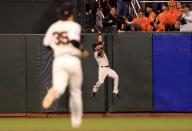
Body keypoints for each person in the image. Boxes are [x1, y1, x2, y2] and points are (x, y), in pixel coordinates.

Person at [42, 1, 88, 128]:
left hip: (59, 60)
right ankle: (76, 123)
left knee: (59, 87)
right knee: (76, 92)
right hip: (73, 59)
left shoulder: (54, 27)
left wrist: (58, 48)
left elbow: (45, 44)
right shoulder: (74, 26)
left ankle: (54, 91)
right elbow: (74, 40)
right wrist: (83, 50)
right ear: (72, 13)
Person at [91, 32, 119, 97]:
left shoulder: (100, 47)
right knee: (101, 82)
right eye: (96, 46)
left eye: (97, 45)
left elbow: (100, 41)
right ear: (94, 48)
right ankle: (94, 90)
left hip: (108, 68)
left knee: (116, 77)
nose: (97, 46)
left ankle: (115, 91)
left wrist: (99, 34)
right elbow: (100, 53)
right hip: (102, 69)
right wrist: (102, 46)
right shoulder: (95, 53)